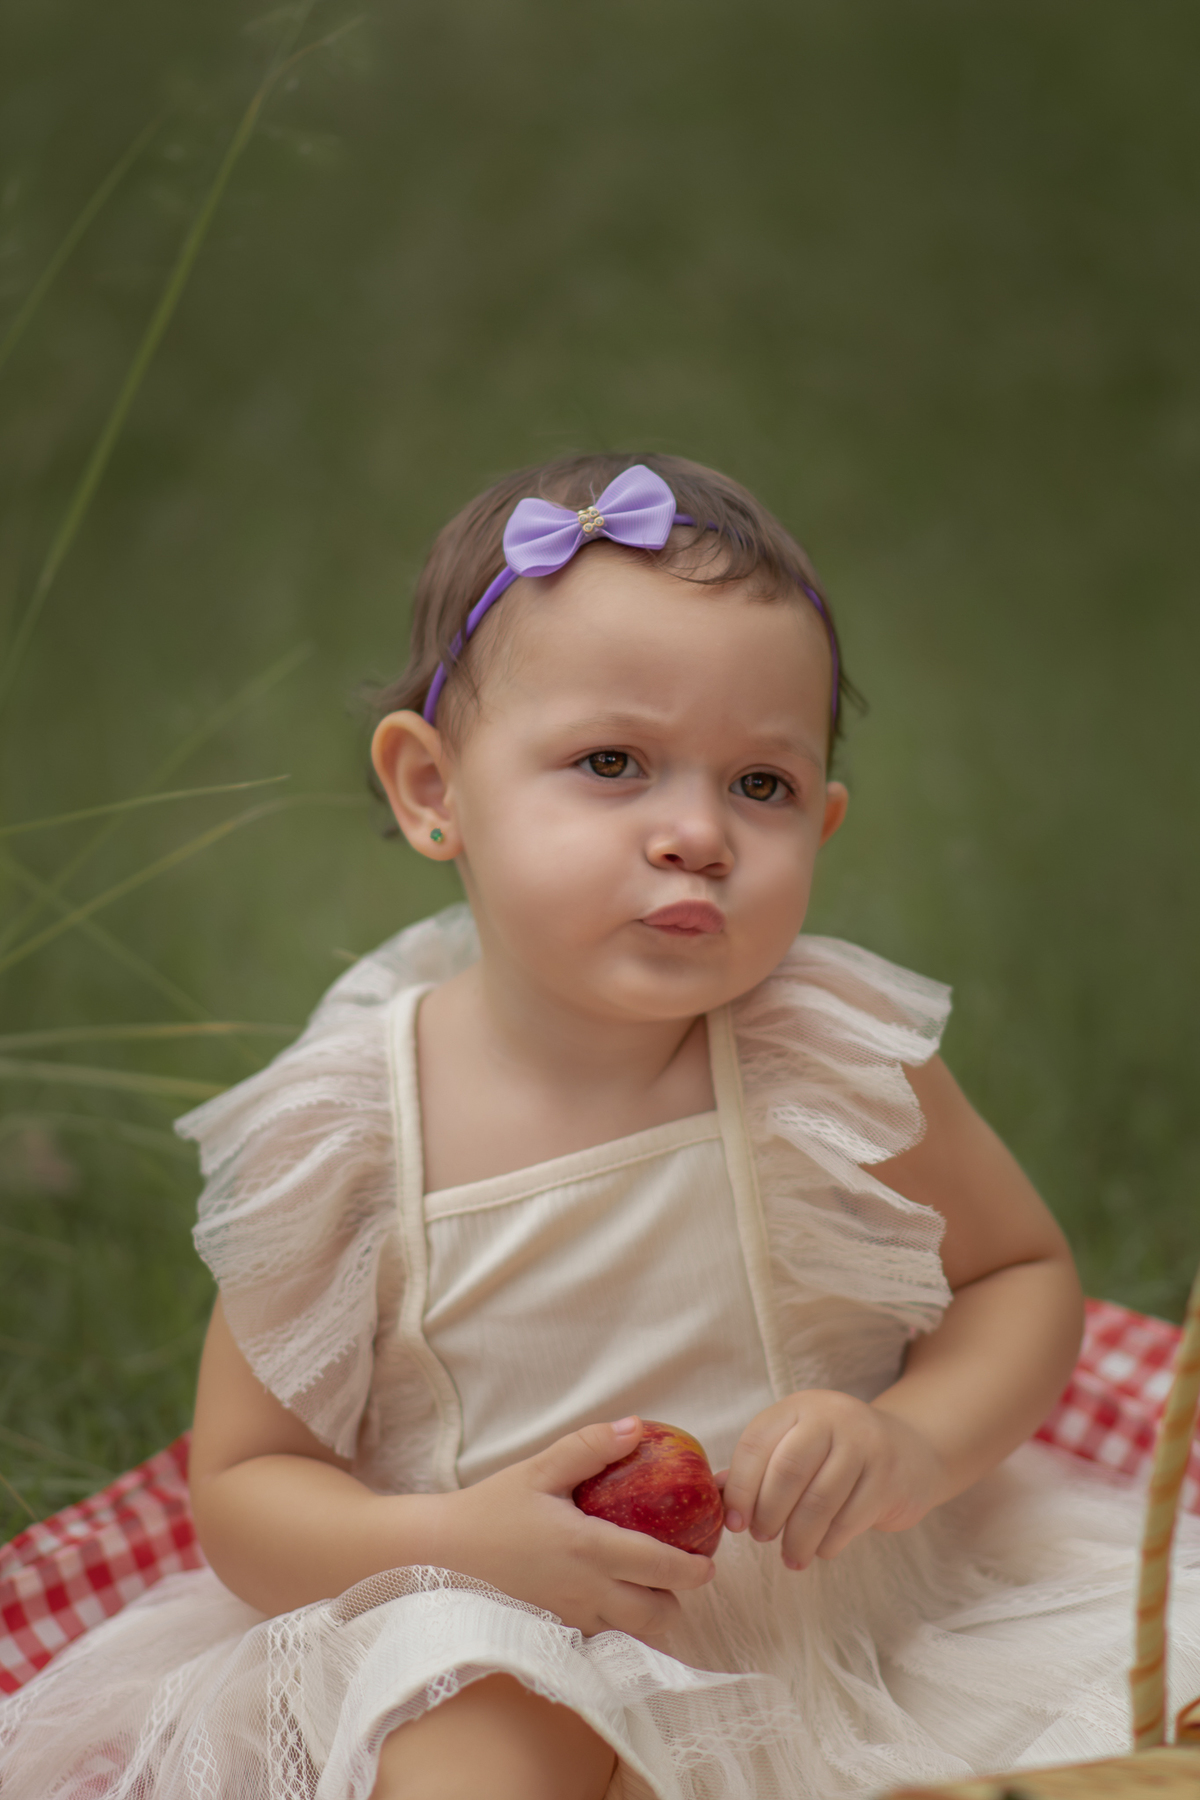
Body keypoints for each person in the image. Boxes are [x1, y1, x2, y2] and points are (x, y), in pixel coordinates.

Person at [2, 452, 1197, 1800]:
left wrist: (914, 1439)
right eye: (613, 762)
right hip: (507, 1615)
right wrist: (460, 1546)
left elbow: (1018, 1279)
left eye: (762, 786)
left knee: (1137, 1719)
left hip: (858, 1609)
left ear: (828, 821)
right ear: (431, 790)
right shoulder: (357, 1130)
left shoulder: (823, 1057)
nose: (696, 833)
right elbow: (248, 1487)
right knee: (465, 1765)